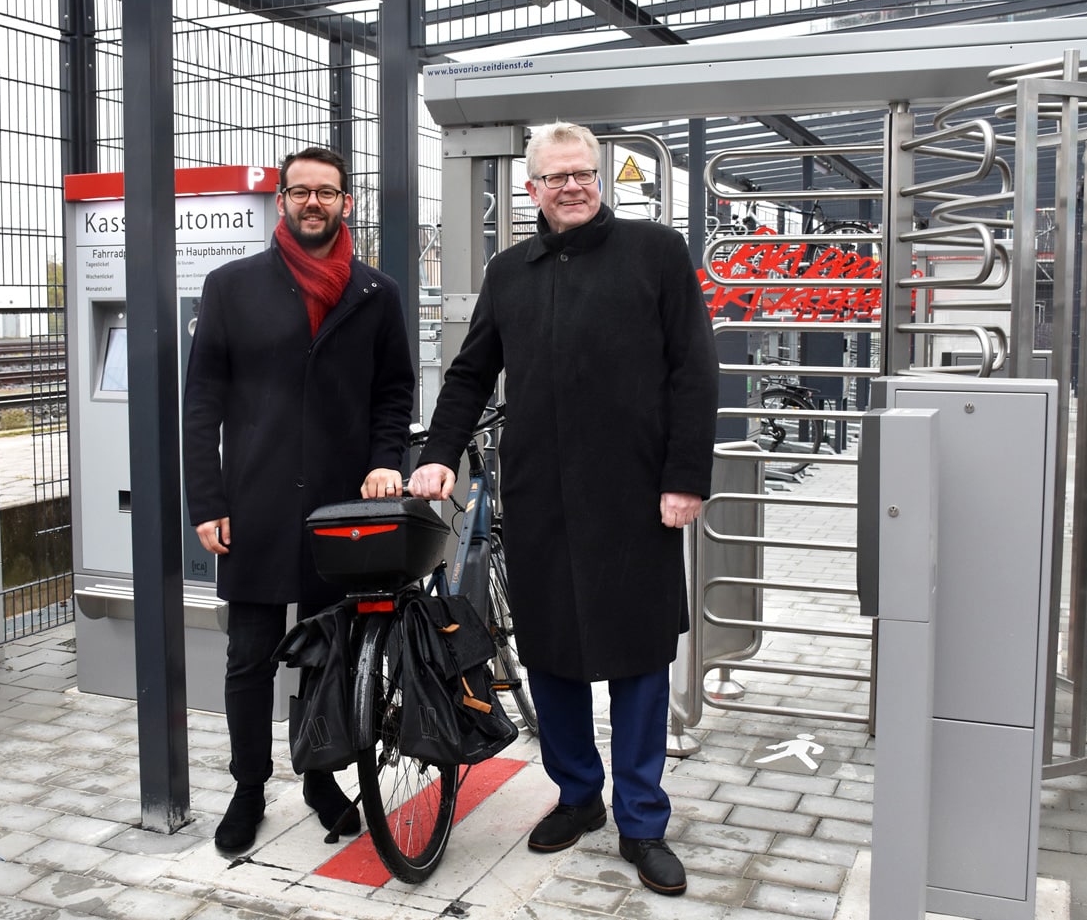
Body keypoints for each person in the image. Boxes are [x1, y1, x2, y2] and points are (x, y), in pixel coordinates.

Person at [409, 121, 717, 897]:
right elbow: (471, 371)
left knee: (641, 657)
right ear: (533, 189)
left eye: (584, 172)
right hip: (541, 494)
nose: (572, 185)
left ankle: (642, 819)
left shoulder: (655, 253)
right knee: (552, 653)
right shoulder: (511, 271)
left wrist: (686, 476)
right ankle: (579, 794)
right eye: (557, 176)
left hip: (638, 495)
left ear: (600, 178)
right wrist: (438, 452)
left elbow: (694, 370)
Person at [182, 146, 414, 853]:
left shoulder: (376, 294)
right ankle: (248, 787)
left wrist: (384, 464)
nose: (314, 202)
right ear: (280, 200)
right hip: (252, 502)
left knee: (327, 654)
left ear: (348, 203)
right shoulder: (232, 286)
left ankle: (319, 778)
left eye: (328, 192)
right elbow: (202, 403)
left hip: (342, 511)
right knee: (249, 656)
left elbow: (393, 393)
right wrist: (206, 500)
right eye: (301, 191)